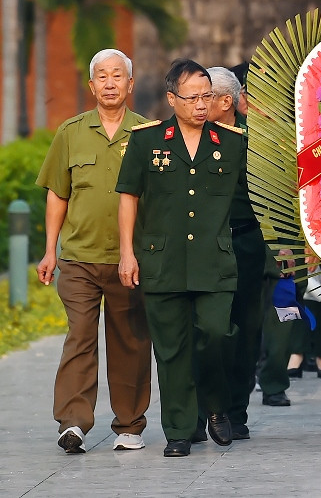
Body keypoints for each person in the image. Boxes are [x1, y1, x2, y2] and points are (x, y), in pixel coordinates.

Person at [116, 59, 246, 457]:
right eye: (193, 98)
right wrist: (127, 253)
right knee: (170, 348)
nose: (202, 105)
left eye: (207, 96)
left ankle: (215, 406)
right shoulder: (146, 141)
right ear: (172, 99)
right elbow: (128, 197)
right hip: (163, 260)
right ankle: (178, 430)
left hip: (214, 261)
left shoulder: (233, 142)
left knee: (216, 334)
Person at [35, 49, 152, 454]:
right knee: (80, 336)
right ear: (91, 85)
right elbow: (57, 195)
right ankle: (73, 422)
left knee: (130, 341)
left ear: (130, 84)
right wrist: (50, 250)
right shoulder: (70, 132)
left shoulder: (147, 133)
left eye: (116, 76)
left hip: (128, 259)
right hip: (78, 258)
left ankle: (130, 424)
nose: (109, 83)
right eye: (101, 77)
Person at [203, 66, 267, 439]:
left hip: (245, 241)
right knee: (205, 327)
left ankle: (235, 410)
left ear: (226, 101)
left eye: (205, 97)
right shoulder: (186, 139)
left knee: (243, 328)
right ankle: (202, 411)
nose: (198, 104)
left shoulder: (255, 143)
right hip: (202, 244)